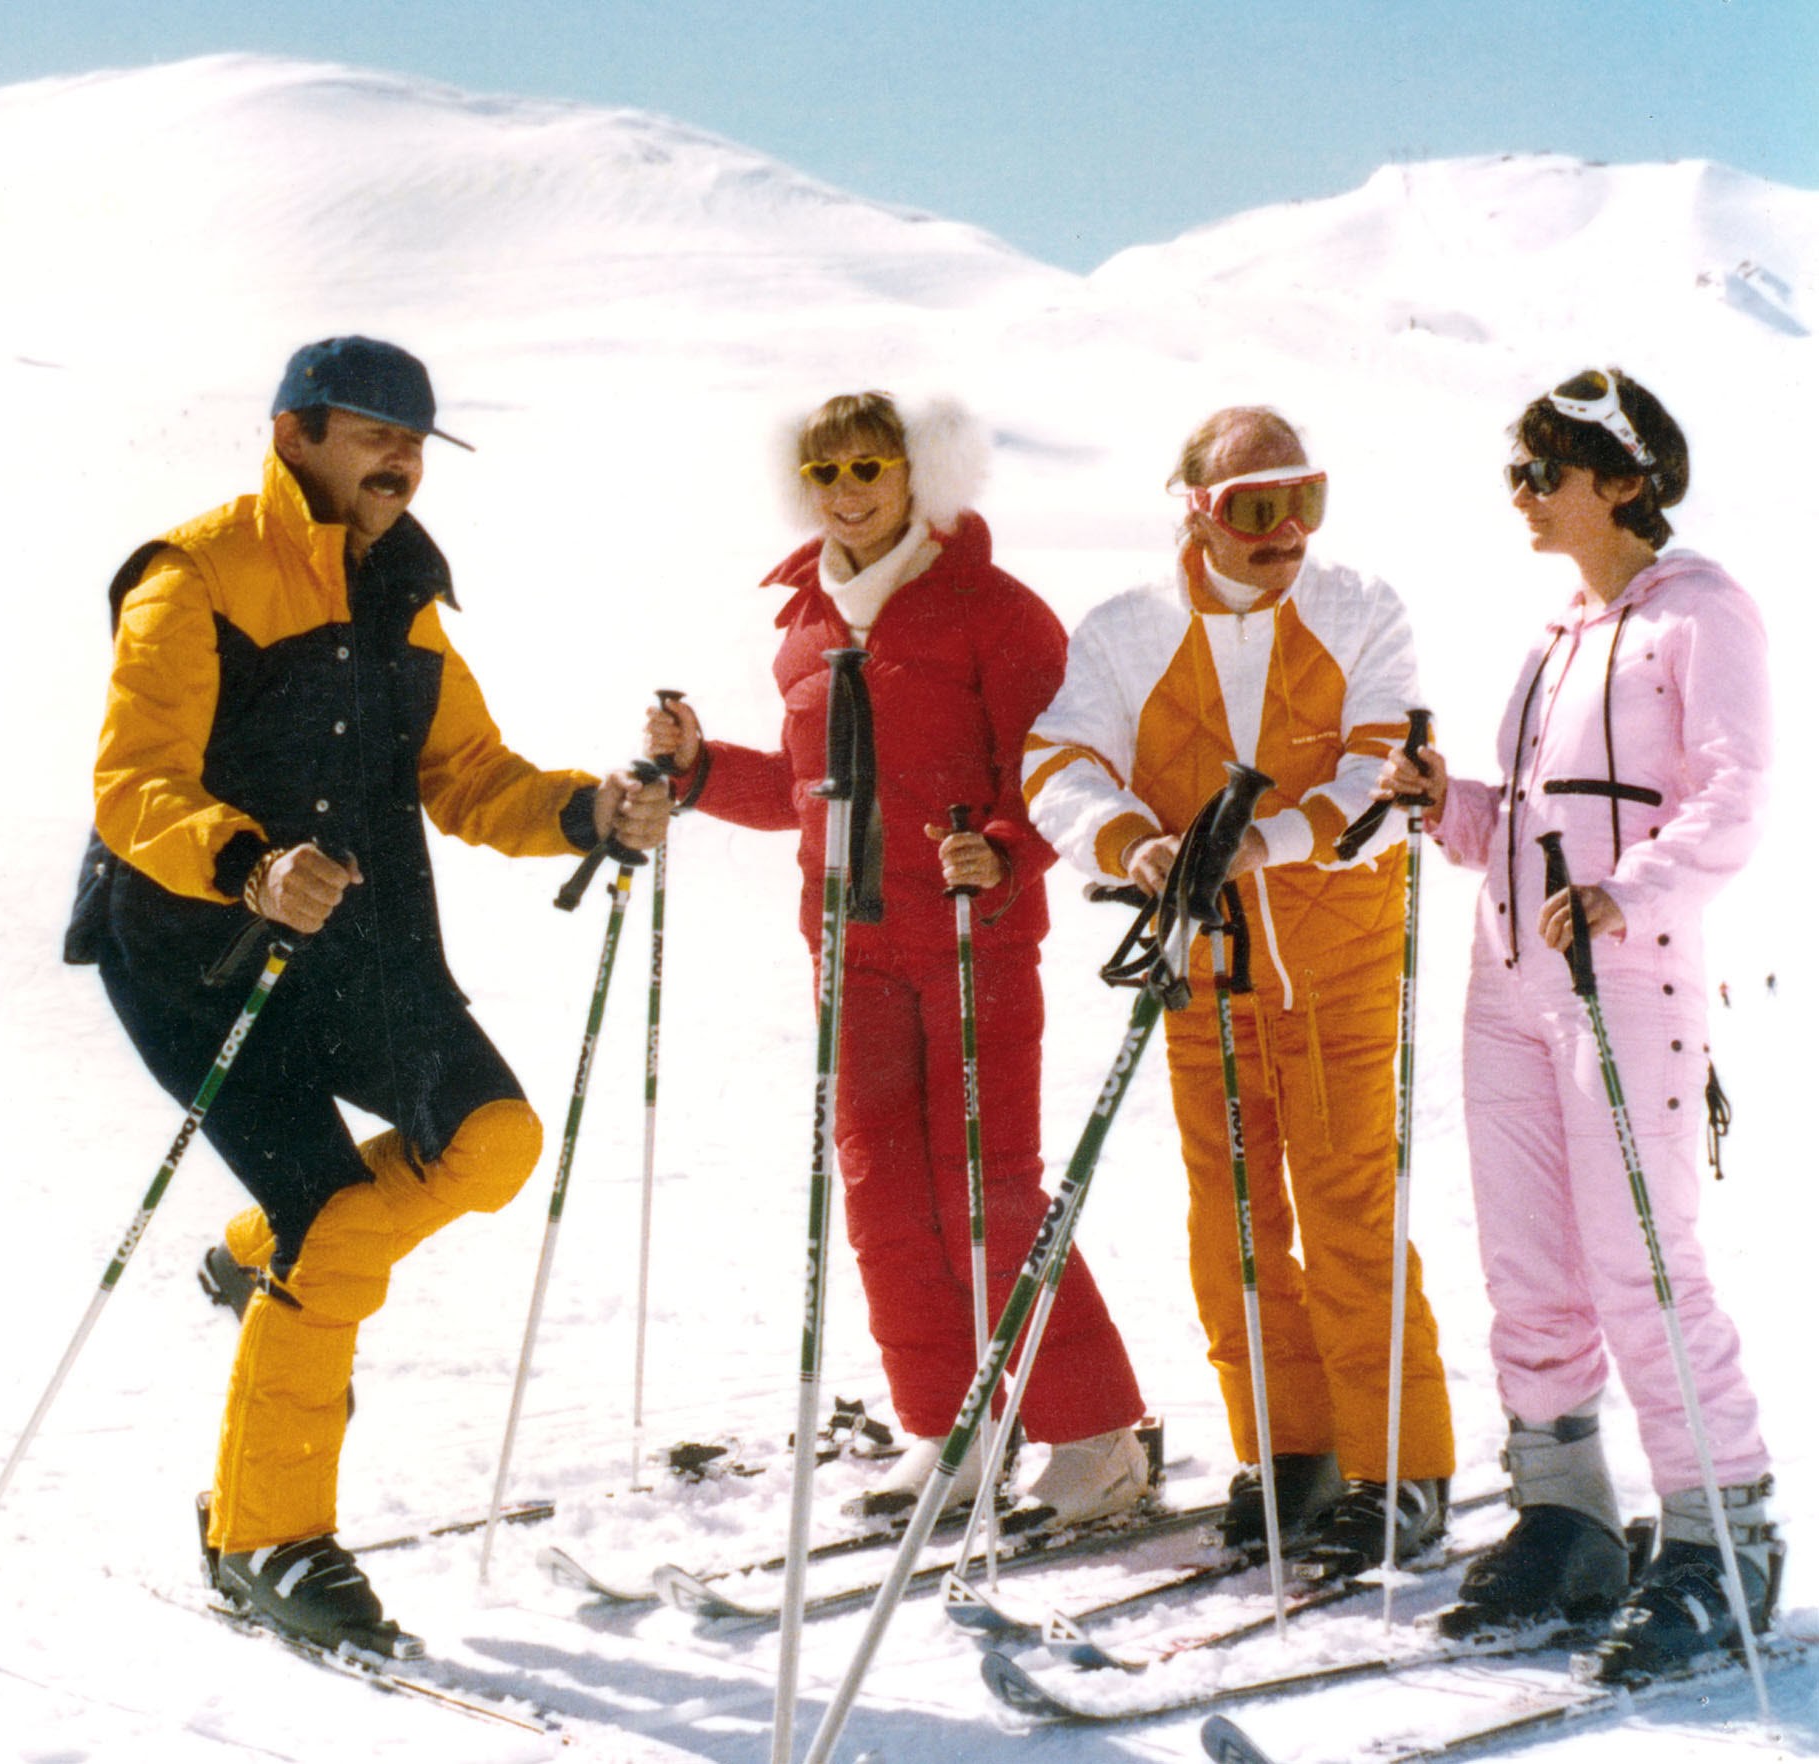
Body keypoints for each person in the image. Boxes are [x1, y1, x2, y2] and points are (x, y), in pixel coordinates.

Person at [80, 335, 668, 1652]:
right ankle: (261, 1540)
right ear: (294, 434)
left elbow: (464, 774)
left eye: (415, 438)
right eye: (370, 431)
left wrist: (587, 810)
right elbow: (130, 786)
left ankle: (256, 1264)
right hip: (197, 957)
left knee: (492, 1141)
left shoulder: (402, 590)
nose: (399, 457)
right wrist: (245, 860)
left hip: (356, 949)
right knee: (337, 1218)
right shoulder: (194, 576)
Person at [643, 391, 1152, 1528]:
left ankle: (1096, 1439)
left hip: (972, 945)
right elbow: (799, 793)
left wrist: (1004, 855)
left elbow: (1056, 778)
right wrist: (694, 772)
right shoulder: (804, 627)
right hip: (851, 952)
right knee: (882, 1196)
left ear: (917, 472)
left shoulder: (995, 612)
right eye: (825, 472)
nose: (847, 489)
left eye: (869, 465)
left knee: (989, 1190)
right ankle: (951, 1431)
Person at [1377, 369, 1776, 1674]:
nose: (1521, 496)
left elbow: (1727, 797)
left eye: (1541, 473)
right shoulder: (1558, 634)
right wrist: (1448, 802)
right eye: (1515, 472)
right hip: (1512, 978)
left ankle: (1721, 1537)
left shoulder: (1696, 615)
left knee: (1639, 1264)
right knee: (1528, 1266)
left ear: (1620, 479)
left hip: (1625, 975)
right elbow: (1533, 828)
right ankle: (1564, 1515)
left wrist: (1631, 895)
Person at [1022, 406, 1455, 1572]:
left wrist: (1264, 842)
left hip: (1337, 961)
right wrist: (1128, 842)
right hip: (1204, 968)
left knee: (1350, 1206)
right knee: (1233, 1221)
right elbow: (1058, 761)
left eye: (1302, 501)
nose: (1285, 533)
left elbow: (1381, 767)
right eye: (1254, 509)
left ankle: (1398, 1463)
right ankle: (1289, 1446)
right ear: (1197, 513)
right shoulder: (1125, 632)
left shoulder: (1359, 610)